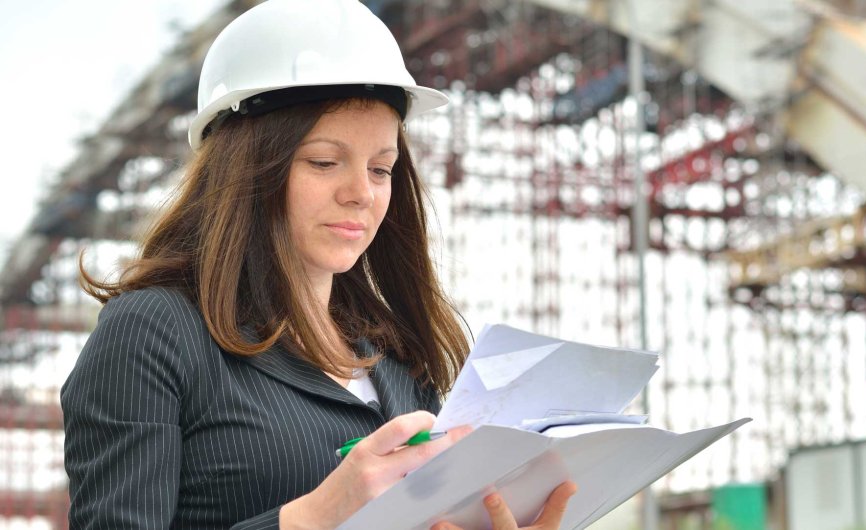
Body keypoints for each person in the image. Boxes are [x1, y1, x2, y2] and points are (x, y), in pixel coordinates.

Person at [61, 0, 576, 528]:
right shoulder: (154, 334)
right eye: (325, 162)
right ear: (246, 168)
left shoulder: (399, 363)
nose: (361, 194)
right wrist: (313, 517)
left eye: (381, 169)